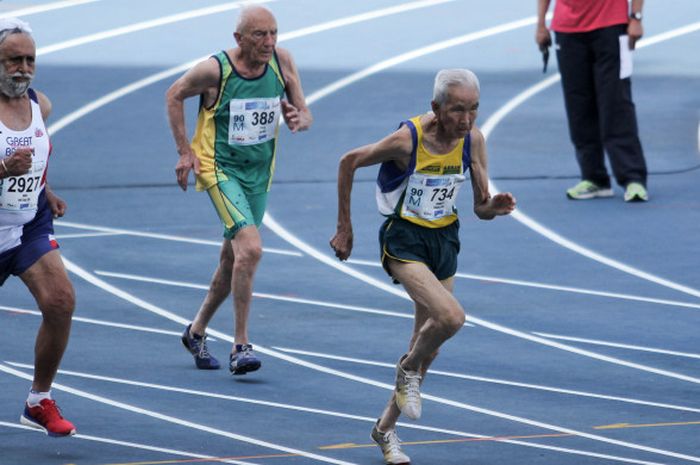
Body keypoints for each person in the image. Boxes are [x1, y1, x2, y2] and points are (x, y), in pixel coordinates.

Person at [330, 69, 516, 465]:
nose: (466, 120)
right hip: (404, 239)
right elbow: (348, 162)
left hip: (444, 240)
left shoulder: (473, 141)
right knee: (450, 318)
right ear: (436, 108)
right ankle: (406, 368)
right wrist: (345, 228)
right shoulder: (408, 140)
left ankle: (384, 430)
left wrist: (493, 208)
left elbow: (480, 207)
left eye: (474, 110)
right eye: (457, 110)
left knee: (426, 347)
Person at [165, 5, 312, 375]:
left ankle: (196, 331)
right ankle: (241, 345)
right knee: (251, 249)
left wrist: (299, 117)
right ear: (238, 39)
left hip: (259, 173)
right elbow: (174, 94)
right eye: (259, 35)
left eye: (274, 33)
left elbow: (304, 111)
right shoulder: (216, 69)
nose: (269, 42)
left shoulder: (282, 61)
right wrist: (185, 152)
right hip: (219, 168)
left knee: (233, 261)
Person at [0, 18, 76, 437]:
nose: (22, 68)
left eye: (29, 60)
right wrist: (2, 169)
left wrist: (45, 192)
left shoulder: (39, 105)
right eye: (13, 60)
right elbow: (10, 163)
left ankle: (39, 399)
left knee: (61, 301)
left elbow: (36, 157)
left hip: (27, 225)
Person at [536, 0, 649, 202]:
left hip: (611, 27)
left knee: (616, 103)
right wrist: (541, 24)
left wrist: (636, 17)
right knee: (578, 106)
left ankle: (633, 177)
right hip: (567, 30)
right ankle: (594, 177)